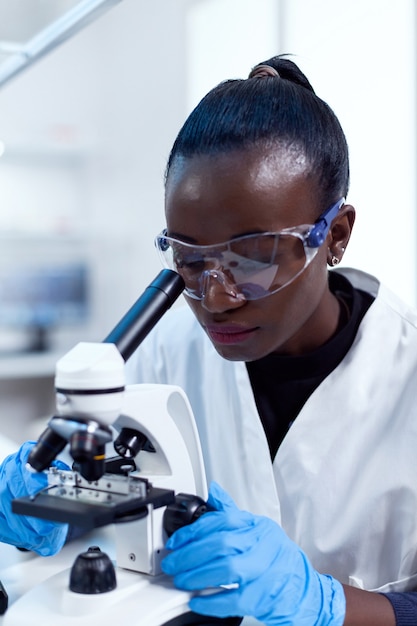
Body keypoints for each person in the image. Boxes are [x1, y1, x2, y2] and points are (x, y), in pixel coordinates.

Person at [125, 55, 417, 625]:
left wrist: (329, 607)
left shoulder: (407, 375)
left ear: (334, 235)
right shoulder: (162, 350)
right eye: (189, 258)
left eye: (254, 256)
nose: (216, 296)